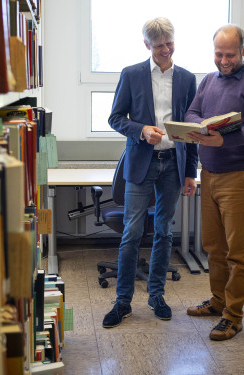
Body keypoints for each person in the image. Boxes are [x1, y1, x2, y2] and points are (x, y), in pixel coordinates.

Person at [102, 17, 198, 328]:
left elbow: (191, 130)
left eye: (170, 44)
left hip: (173, 162)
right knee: (131, 233)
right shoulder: (131, 75)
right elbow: (115, 118)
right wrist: (141, 130)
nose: (166, 50)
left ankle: (156, 294)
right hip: (142, 162)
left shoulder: (186, 79)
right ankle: (123, 301)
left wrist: (190, 172)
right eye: (159, 46)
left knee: (164, 232)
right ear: (147, 46)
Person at [184, 24, 244, 341]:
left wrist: (220, 139)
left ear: (243, 51)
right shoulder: (208, 80)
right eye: (219, 54)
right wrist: (203, 126)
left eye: (230, 54)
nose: (224, 60)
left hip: (240, 176)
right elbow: (192, 112)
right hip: (209, 175)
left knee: (239, 254)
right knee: (214, 248)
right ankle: (218, 302)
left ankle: (233, 317)